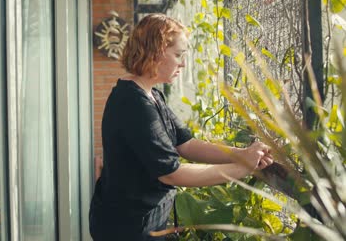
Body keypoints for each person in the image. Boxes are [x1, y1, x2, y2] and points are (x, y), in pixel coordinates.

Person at [89, 14, 274, 241]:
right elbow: (171, 174)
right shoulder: (134, 104)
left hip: (142, 223)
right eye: (178, 55)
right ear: (156, 52)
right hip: (127, 228)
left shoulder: (151, 95)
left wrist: (241, 154)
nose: (183, 63)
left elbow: (186, 144)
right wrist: (241, 169)